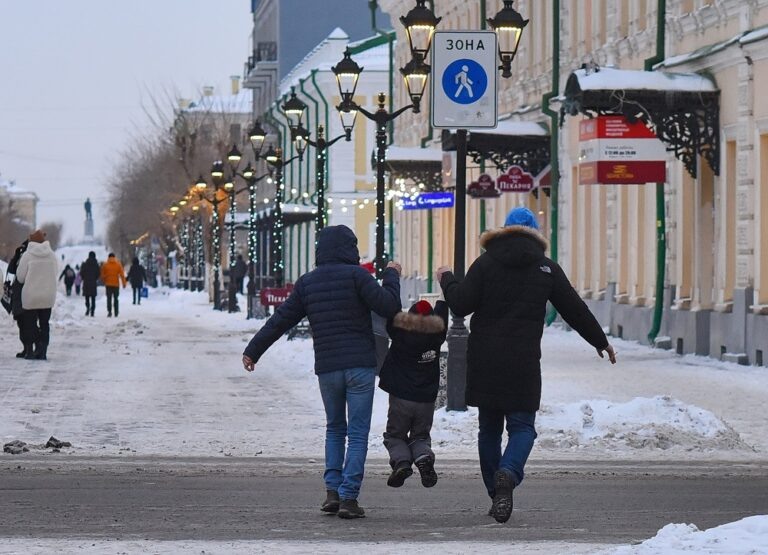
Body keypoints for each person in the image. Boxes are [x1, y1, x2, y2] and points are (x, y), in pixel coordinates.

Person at [437, 207, 617, 524]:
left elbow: (461, 304)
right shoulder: (545, 268)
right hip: (523, 362)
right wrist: (599, 341)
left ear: (504, 230)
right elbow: (574, 308)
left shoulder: (485, 263)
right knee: (523, 428)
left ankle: (496, 492)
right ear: (535, 233)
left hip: (486, 360)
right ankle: (508, 473)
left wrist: (447, 279)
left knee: (489, 430)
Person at [242, 225, 402, 519]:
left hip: (328, 368)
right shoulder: (358, 277)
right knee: (357, 433)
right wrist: (392, 275)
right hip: (359, 366)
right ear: (350, 248)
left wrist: (254, 350)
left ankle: (332, 492)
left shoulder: (308, 283)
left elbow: (281, 320)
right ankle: (349, 498)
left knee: (335, 428)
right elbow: (389, 306)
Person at [378, 299, 448, 489]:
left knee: (395, 436)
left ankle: (401, 463)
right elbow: (442, 315)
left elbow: (390, 312)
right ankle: (423, 458)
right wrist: (442, 301)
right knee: (420, 437)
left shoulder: (400, 333)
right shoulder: (437, 335)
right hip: (426, 400)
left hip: (401, 397)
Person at [15, 230, 58, 360]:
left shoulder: (27, 256)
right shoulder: (51, 255)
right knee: (45, 324)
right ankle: (43, 351)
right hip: (47, 296)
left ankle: (30, 350)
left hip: (31, 296)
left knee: (30, 324)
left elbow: (20, 277)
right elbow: (56, 272)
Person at [6, 240, 30, 357]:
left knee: (28, 323)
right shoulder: (20, 258)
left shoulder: (31, 257)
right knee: (22, 322)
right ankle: (26, 348)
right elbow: (11, 270)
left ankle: (30, 348)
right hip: (18, 294)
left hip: (27, 293)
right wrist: (16, 256)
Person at [100, 253, 127, 317]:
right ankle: (116, 312)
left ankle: (109, 311)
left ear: (108, 257)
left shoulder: (105, 265)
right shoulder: (118, 264)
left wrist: (104, 281)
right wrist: (124, 283)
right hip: (116, 284)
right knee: (116, 298)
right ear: (114, 257)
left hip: (108, 284)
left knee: (109, 298)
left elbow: (102, 275)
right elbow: (122, 275)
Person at [80, 252, 100, 317]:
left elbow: (81, 273)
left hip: (86, 283)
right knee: (93, 298)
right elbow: (98, 274)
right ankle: (92, 311)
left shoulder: (85, 264)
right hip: (93, 283)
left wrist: (84, 278)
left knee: (87, 297)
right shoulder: (96, 265)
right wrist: (95, 278)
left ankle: (88, 308)